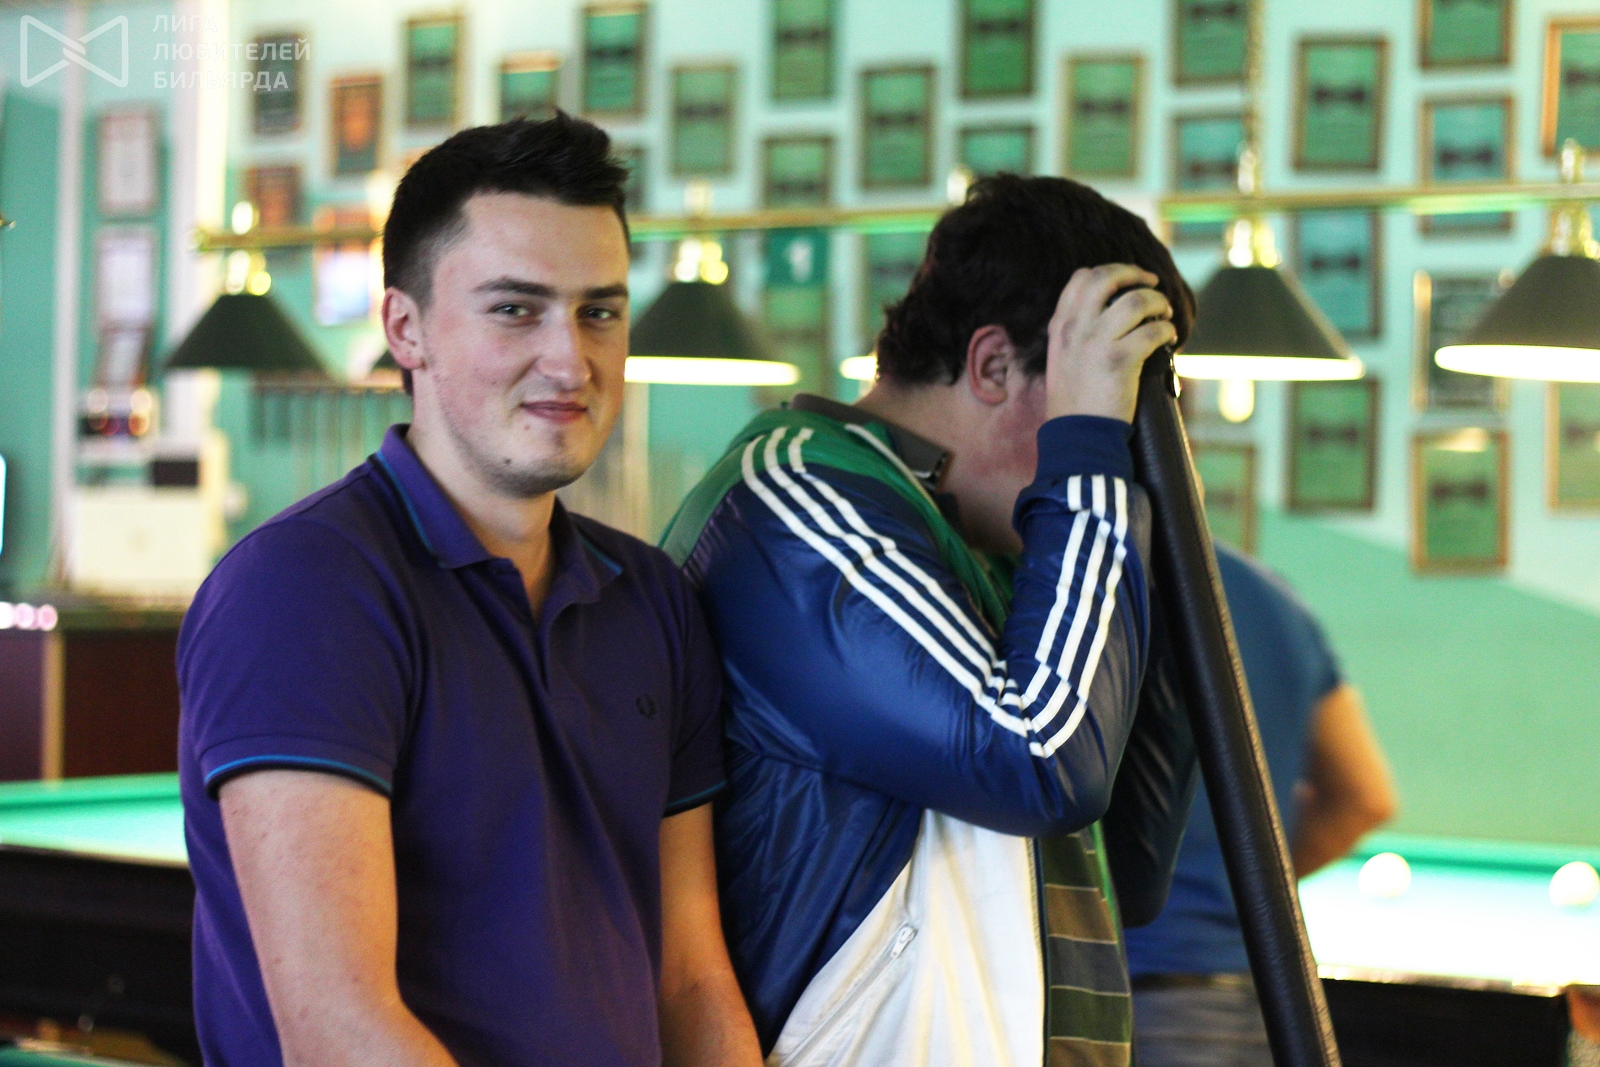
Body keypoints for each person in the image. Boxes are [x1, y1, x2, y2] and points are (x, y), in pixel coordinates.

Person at [177, 115, 763, 1067]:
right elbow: (340, 1033)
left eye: (600, 312)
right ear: (404, 329)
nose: (571, 361)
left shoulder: (653, 597)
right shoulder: (303, 588)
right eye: (515, 309)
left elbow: (690, 978)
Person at [661, 174, 1200, 1067]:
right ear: (992, 365)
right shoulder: (797, 494)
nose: (1112, 434)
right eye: (1098, 393)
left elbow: (1131, 863)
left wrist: (1150, 515)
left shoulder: (994, 552)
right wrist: (1085, 456)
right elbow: (1038, 758)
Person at [1125, 541, 1397, 1066]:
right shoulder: (1274, 597)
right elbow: (1365, 798)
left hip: (1138, 1002)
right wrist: (1244, 887)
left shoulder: (1080, 580)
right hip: (1266, 998)